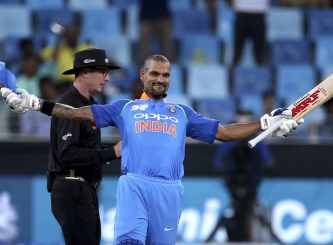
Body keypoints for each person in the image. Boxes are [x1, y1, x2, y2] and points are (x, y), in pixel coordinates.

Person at [1, 54, 303, 245]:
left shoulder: (181, 113)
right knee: (129, 241)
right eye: (155, 74)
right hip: (135, 184)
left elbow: (224, 133)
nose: (160, 79)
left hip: (170, 190)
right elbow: (77, 113)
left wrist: (266, 122)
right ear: (143, 76)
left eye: (166, 75)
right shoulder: (125, 108)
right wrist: (36, 103)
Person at [3, 48, 122, 245]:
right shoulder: (71, 104)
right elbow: (68, 154)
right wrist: (111, 152)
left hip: (82, 188)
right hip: (73, 185)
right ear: (84, 72)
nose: (107, 78)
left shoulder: (86, 105)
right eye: (103, 71)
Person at [206, 110, 277, 242]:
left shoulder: (258, 144)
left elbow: (270, 164)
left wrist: (254, 163)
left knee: (247, 210)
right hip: (234, 182)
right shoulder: (229, 144)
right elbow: (218, 165)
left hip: (250, 182)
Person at [226, 0, 270, 66]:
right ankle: (232, 75)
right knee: (237, 54)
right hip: (241, 15)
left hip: (259, 16)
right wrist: (229, 0)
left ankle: (262, 75)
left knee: (260, 55)